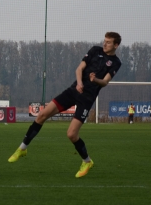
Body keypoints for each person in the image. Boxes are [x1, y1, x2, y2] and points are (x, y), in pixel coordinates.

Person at [8, 32, 122, 178]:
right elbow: (79, 69)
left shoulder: (116, 62)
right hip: (73, 90)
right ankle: (22, 148)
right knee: (42, 114)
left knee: (71, 134)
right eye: (104, 41)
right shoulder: (95, 50)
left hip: (87, 98)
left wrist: (95, 80)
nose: (104, 44)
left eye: (108, 42)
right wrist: (80, 83)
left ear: (116, 45)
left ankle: (87, 161)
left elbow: (105, 82)